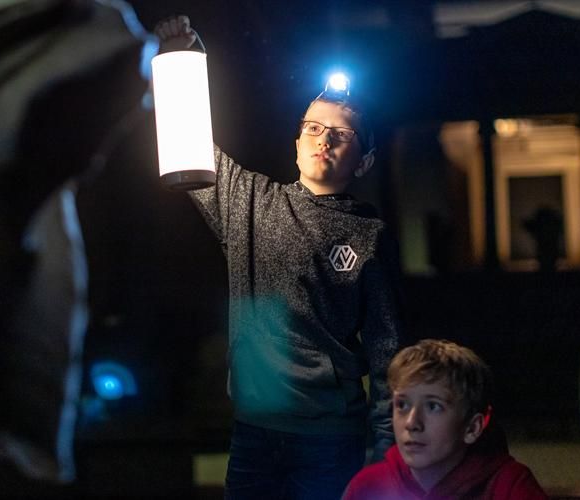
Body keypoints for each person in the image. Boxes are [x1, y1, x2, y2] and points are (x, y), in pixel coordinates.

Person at [155, 16, 401, 500]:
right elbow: (188, 138)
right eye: (312, 127)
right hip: (254, 431)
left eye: (340, 134)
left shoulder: (369, 237)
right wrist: (183, 56)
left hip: (331, 436)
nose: (323, 139)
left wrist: (386, 448)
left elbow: (387, 347)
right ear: (296, 141)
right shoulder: (249, 200)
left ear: (365, 160)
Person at [342, 339, 547, 500]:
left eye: (433, 406)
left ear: (472, 428)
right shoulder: (368, 485)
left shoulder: (509, 486)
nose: (412, 423)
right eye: (402, 405)